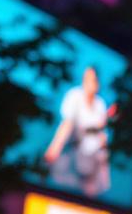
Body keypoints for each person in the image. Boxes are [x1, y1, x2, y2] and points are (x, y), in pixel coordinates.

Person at [43, 65, 114, 197]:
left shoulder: (100, 104)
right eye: (85, 79)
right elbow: (67, 124)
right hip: (71, 156)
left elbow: (102, 137)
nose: (88, 83)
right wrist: (53, 150)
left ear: (97, 84)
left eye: (92, 80)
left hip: (91, 161)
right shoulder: (74, 96)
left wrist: (104, 172)